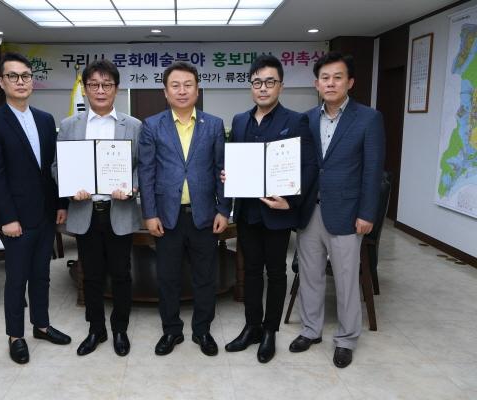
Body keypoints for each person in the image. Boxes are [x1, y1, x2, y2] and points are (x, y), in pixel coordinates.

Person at [289, 51, 385, 368]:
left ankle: (346, 339)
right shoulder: (306, 119)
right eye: (325, 78)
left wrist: (367, 214)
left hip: (347, 212)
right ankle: (311, 330)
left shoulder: (368, 118)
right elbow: (297, 165)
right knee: (310, 275)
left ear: (350, 82)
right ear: (316, 83)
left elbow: (372, 171)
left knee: (345, 280)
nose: (330, 83)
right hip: (309, 211)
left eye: (337, 77)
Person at [222, 55, 317, 363]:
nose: (263, 88)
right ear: (251, 86)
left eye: (269, 82)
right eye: (257, 82)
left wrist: (291, 201)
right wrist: (228, 174)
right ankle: (251, 326)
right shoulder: (240, 121)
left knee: (275, 272)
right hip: (248, 211)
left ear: (280, 86)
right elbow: (236, 160)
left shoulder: (296, 121)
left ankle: (269, 331)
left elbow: (308, 166)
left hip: (278, 212)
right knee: (250, 271)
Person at [0, 52, 71, 365]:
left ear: (32, 81)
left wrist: (60, 204)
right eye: (13, 76)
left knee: (42, 275)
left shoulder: (45, 120)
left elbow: (53, 169)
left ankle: (41, 326)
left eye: (26, 76)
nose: (21, 82)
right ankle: (15, 336)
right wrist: (7, 218)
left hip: (45, 213)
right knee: (17, 279)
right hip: (16, 219)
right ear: (1, 82)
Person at [138, 61, 231, 357]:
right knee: (168, 277)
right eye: (175, 85)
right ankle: (171, 330)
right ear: (165, 92)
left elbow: (222, 169)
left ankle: (202, 330)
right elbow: (146, 173)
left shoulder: (213, 124)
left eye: (188, 85)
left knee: (205, 276)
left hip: (205, 216)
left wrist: (223, 210)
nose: (182, 91)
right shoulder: (152, 125)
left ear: (197, 90)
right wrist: (150, 214)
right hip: (167, 217)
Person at [51, 59, 142, 357]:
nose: (100, 91)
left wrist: (132, 186)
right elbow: (57, 166)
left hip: (119, 211)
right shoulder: (69, 125)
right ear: (86, 89)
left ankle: (120, 329)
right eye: (94, 85)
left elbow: (142, 166)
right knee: (90, 275)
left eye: (106, 85)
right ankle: (96, 329)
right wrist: (69, 187)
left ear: (116, 88)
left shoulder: (133, 125)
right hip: (85, 211)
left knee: (121, 274)